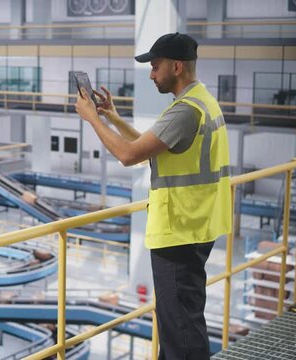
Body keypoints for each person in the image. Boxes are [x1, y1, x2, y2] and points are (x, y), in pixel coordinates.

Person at [75, 32, 231, 360]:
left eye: (155, 66)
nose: (151, 74)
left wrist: (91, 119)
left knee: (180, 332)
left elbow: (129, 155)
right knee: (182, 322)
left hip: (179, 231)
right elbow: (149, 148)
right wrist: (112, 117)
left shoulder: (186, 111)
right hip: (196, 225)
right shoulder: (200, 101)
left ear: (176, 67)